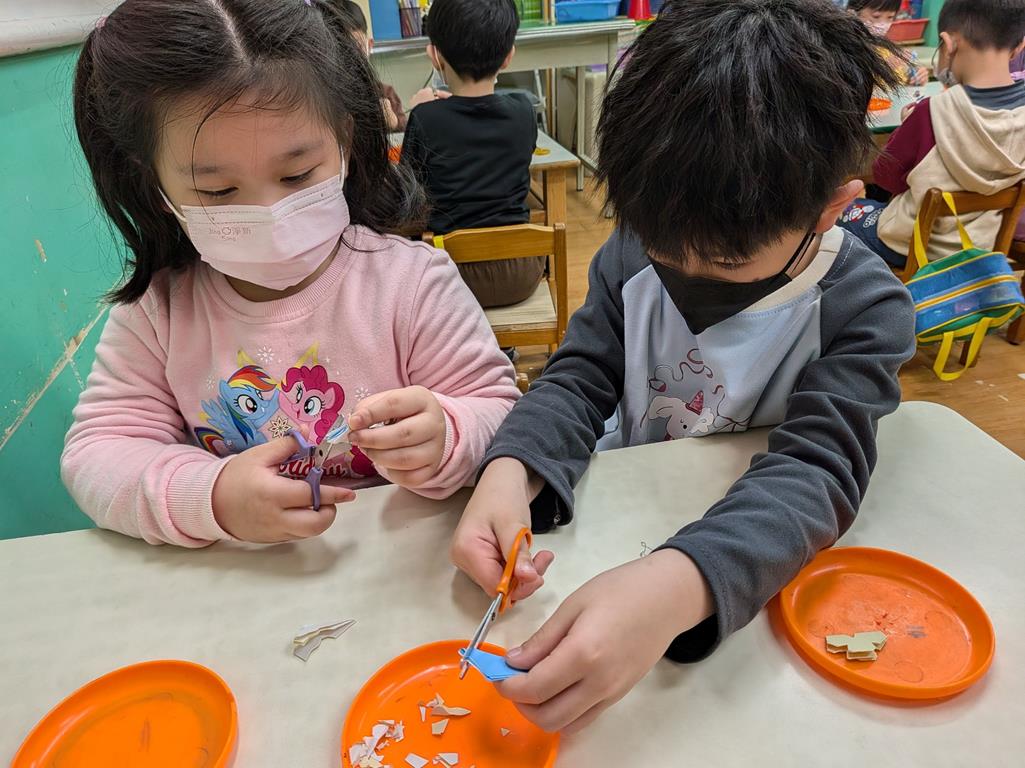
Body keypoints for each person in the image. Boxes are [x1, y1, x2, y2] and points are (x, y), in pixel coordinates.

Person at [450, 0, 916, 734]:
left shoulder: (864, 308)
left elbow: (818, 470)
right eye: (661, 247)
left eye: (725, 260)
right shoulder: (631, 250)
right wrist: (513, 468)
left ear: (831, 209)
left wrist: (680, 583)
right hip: (621, 520)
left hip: (747, 583)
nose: (682, 275)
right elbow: (580, 376)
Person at [61, 0, 519, 548]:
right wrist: (211, 495)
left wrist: (450, 434)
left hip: (394, 563)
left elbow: (499, 410)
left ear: (344, 141)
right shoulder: (160, 312)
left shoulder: (413, 284)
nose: (269, 214)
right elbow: (98, 452)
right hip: (241, 580)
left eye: (298, 174)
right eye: (217, 191)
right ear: (155, 185)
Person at [840, 0, 1025, 266]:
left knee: (837, 213)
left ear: (948, 45)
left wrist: (907, 128)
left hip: (914, 244)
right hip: (983, 245)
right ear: (1019, 46)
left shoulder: (932, 112)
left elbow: (885, 177)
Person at [401, 0, 543, 311]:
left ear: (435, 55)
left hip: (452, 277)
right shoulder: (524, 112)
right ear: (508, 56)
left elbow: (408, 189)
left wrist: (419, 109)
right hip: (521, 271)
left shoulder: (426, 118)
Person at [332, 0, 446, 131]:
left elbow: (405, 134)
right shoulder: (324, 97)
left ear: (369, 45)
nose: (351, 56)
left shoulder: (385, 94)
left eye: (358, 46)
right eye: (343, 48)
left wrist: (394, 123)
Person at [849, 0, 929, 85]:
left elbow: (899, 86)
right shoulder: (845, 49)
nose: (883, 24)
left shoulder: (884, 50)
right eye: (876, 16)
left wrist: (915, 77)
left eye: (890, 17)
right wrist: (883, 70)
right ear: (853, 14)